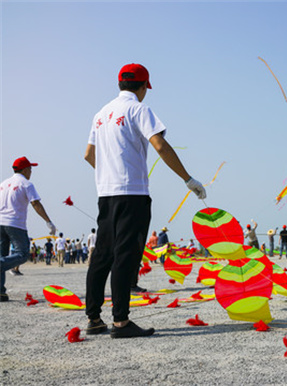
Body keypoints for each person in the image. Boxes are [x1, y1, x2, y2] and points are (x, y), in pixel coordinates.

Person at [83, 63, 206, 338]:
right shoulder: (139, 109)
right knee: (125, 256)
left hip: (106, 193)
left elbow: (89, 154)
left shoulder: (101, 114)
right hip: (132, 194)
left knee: (102, 255)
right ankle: (121, 323)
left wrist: (108, 173)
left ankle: (93, 319)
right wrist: (188, 179)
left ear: (119, 84)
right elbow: (160, 145)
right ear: (142, 87)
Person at [0, 156, 56, 302]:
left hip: (0, 223)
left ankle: (0, 292)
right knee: (23, 254)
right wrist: (48, 222)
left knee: (2, 255)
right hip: (15, 224)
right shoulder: (26, 184)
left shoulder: (3, 183)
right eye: (30, 169)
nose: (31, 171)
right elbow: (36, 204)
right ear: (24, 170)